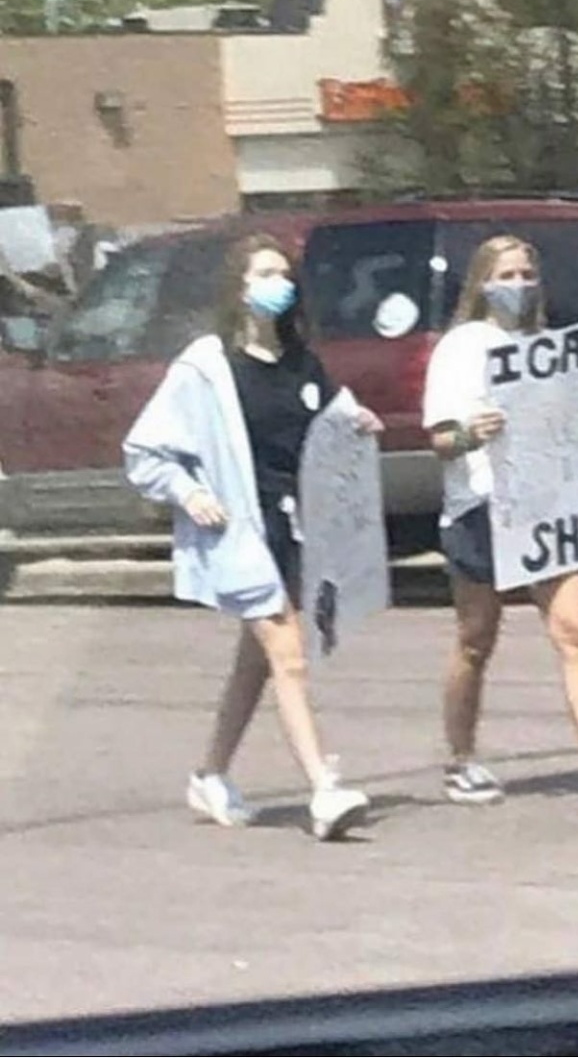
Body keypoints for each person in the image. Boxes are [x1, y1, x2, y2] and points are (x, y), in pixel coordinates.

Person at [123, 233, 381, 841]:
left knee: (258, 662)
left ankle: (210, 773)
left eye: (283, 274)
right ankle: (323, 788)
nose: (277, 284)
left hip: (294, 528)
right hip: (238, 530)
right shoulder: (206, 368)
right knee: (288, 653)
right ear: (238, 287)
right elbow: (145, 450)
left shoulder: (302, 363)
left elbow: (332, 420)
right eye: (264, 273)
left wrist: (358, 423)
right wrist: (190, 492)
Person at [422, 234, 578, 806]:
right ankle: (460, 758)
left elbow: (576, 427)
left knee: (574, 629)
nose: (519, 285)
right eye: (506, 275)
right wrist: (470, 433)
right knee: (476, 638)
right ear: (482, 284)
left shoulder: (548, 348)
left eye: (526, 274)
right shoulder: (462, 347)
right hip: (482, 505)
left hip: (548, 507)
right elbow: (440, 440)